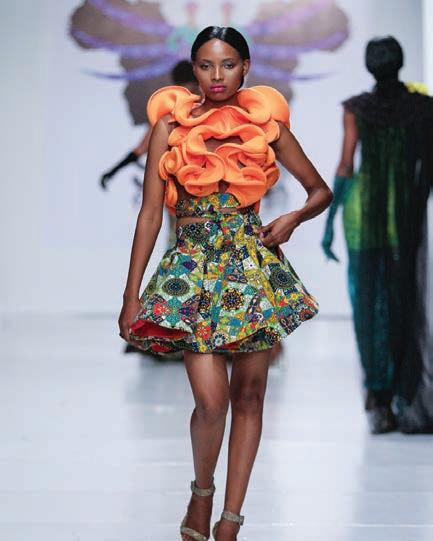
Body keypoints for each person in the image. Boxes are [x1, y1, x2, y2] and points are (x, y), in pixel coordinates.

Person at [119, 26, 332, 541]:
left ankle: (231, 521)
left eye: (229, 64)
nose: (217, 75)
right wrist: (131, 295)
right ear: (194, 69)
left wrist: (293, 219)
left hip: (250, 266)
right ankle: (201, 493)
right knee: (212, 402)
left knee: (251, 396)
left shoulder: (267, 127)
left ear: (246, 67)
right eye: (207, 65)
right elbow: (149, 214)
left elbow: (320, 190)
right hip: (191, 269)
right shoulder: (170, 126)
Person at [322, 36, 433, 434]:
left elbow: (346, 165)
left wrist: (330, 220)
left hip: (364, 212)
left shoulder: (356, 108)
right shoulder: (424, 107)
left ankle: (379, 399)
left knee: (369, 302)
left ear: (370, 66)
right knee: (405, 298)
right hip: (404, 212)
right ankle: (406, 394)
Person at [99, 60, 199, 189]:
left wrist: (113, 171)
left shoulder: (205, 106)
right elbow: (142, 147)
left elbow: (141, 148)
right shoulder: (170, 112)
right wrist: (113, 171)